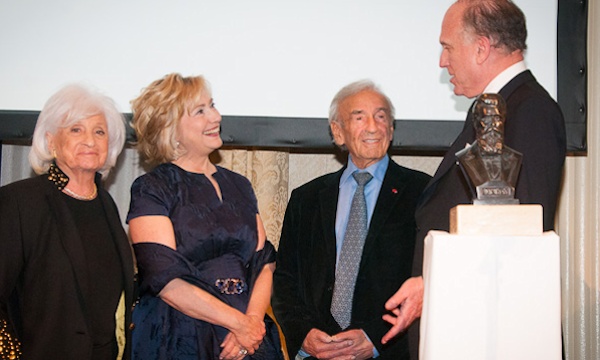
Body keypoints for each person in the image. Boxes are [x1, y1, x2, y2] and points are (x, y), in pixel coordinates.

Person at [382, 0, 567, 356]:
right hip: (470, 322)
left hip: (494, 332)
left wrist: (432, 283)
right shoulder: (498, 106)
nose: (442, 61)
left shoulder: (530, 111)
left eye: (447, 47)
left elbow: (519, 235)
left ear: (481, 48)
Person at [127, 73, 283, 360]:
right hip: (180, 336)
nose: (216, 116)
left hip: (248, 337)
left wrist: (251, 324)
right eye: (200, 111)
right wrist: (238, 324)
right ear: (169, 128)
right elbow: (165, 279)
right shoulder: (152, 188)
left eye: (212, 105)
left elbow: (264, 263)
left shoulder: (240, 185)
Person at [272, 80, 431, 360]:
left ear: (391, 130)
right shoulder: (306, 199)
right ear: (338, 131)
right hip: (315, 353)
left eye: (381, 117)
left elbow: (427, 279)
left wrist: (374, 338)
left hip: (388, 350)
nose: (372, 126)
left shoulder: (423, 193)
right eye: (359, 117)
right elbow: (285, 280)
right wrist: (304, 333)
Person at [0, 84, 135, 360]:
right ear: (51, 141)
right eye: (76, 129)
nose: (90, 140)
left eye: (99, 131)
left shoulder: (106, 205)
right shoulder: (20, 201)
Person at [456, 93, 522, 203]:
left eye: (497, 119)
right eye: (486, 119)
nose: (492, 126)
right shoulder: (465, 157)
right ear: (476, 123)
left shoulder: (514, 158)